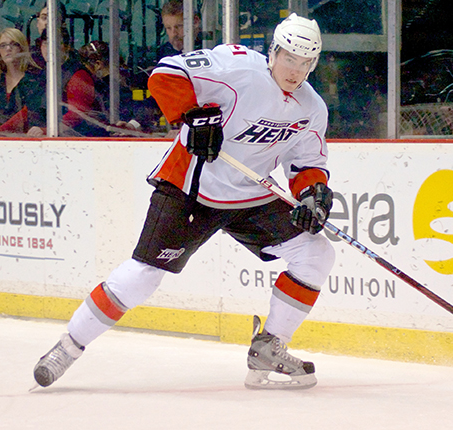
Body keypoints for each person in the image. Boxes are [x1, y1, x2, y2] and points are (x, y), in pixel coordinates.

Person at [32, 13, 334, 390]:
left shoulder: (312, 107)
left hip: (248, 195)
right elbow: (165, 73)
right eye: (290, 58)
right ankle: (67, 347)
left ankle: (269, 348)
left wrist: (313, 194)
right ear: (273, 51)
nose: (295, 69)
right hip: (191, 186)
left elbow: (307, 164)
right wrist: (193, 116)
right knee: (143, 277)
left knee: (317, 254)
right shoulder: (236, 65)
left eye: (306, 62)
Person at [27, 29, 110, 137]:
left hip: (83, 141)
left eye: (56, 43)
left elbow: (77, 114)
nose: (50, 48)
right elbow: (28, 110)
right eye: (46, 43)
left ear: (66, 47)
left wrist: (46, 131)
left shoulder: (78, 74)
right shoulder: (44, 74)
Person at [0, 28, 46, 134]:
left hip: (26, 142)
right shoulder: (0, 82)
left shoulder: (36, 82)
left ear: (22, 48)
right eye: (3, 45)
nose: (8, 49)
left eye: (14, 44)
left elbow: (33, 116)